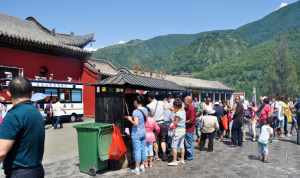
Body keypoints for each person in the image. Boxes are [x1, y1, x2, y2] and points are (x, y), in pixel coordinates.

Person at [0, 77, 45, 178]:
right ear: (31, 93)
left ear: (9, 93)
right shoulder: (36, 112)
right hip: (37, 169)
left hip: (20, 172)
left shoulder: (13, 115)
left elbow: (1, 152)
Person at [125, 95, 147, 175]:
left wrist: (130, 119)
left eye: (134, 101)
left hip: (136, 133)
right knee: (143, 149)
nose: (133, 102)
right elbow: (141, 120)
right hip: (143, 131)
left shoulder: (136, 111)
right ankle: (142, 166)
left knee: (137, 150)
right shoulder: (145, 109)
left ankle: (137, 168)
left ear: (136, 102)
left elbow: (136, 123)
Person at [146, 92, 167, 161]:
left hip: (155, 124)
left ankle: (156, 156)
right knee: (163, 140)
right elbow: (166, 108)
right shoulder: (161, 102)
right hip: (163, 123)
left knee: (155, 141)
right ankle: (164, 154)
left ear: (149, 98)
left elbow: (149, 116)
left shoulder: (148, 105)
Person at [168, 98, 186, 166]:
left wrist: (172, 122)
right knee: (182, 145)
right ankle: (182, 159)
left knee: (174, 146)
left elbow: (175, 123)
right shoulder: (183, 111)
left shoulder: (178, 113)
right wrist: (173, 111)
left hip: (178, 130)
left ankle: (174, 160)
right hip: (183, 130)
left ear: (175, 106)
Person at [184, 96, 196, 161]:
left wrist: (183, 122)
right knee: (187, 143)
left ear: (188, 101)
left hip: (189, 128)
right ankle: (188, 154)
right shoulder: (186, 108)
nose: (184, 101)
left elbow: (191, 120)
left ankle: (190, 156)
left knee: (189, 143)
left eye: (185, 100)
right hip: (186, 128)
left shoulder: (191, 108)